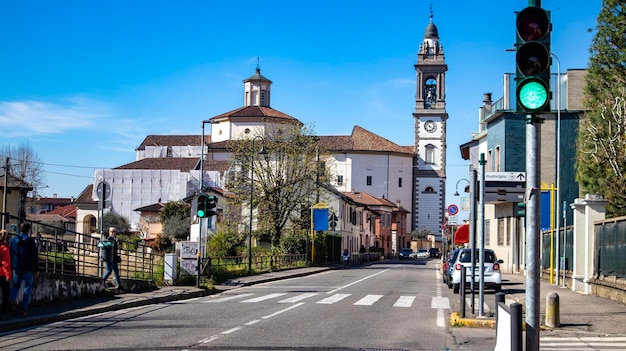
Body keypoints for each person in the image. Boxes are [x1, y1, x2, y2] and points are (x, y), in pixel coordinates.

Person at [9, 222, 39, 316]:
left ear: (20, 229)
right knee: (27, 288)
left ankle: (11, 298)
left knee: (16, 285)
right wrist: (36, 268)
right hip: (28, 267)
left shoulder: (14, 240)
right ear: (28, 230)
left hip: (16, 266)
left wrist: (11, 265)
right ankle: (24, 309)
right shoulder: (30, 241)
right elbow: (34, 256)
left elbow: (10, 253)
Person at [0, 229, 11, 319]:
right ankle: (4, 312)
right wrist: (8, 274)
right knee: (5, 293)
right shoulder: (4, 248)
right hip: (2, 273)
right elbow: (6, 263)